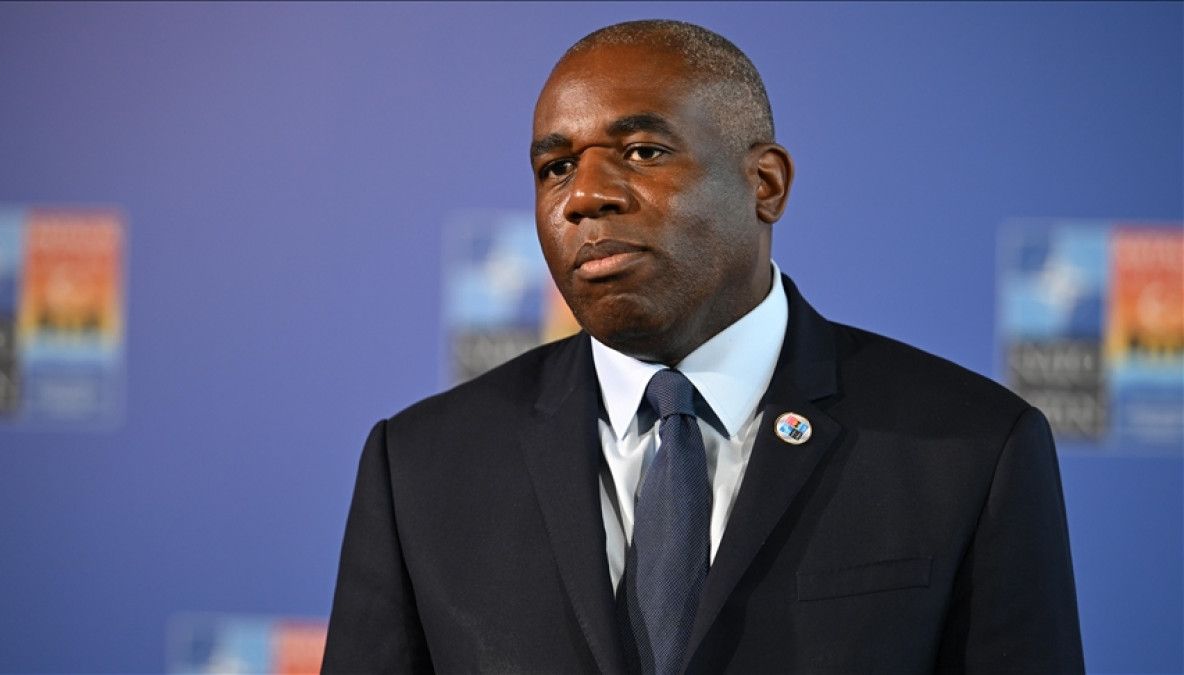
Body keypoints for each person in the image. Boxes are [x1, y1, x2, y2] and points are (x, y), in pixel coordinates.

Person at [322, 19, 1084, 674]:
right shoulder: (420, 465)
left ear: (765, 184)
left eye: (642, 151)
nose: (584, 195)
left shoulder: (970, 448)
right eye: (556, 167)